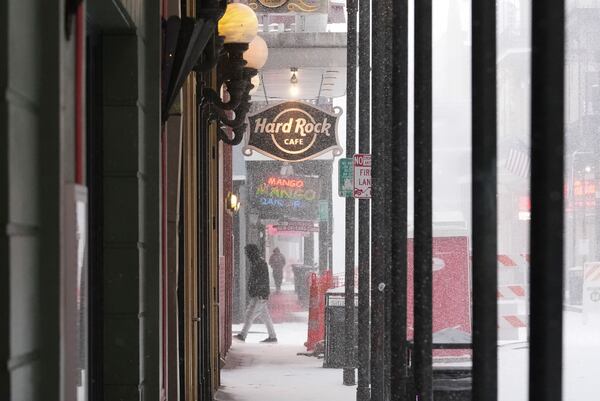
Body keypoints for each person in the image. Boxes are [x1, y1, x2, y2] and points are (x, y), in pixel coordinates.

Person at [234, 244, 277, 343]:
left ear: (251, 252)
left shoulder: (259, 263)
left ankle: (243, 335)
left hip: (259, 294)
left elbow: (261, 279)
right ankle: (272, 336)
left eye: (247, 252)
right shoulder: (257, 262)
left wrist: (258, 291)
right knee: (265, 317)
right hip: (259, 293)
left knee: (250, 314)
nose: (246, 254)